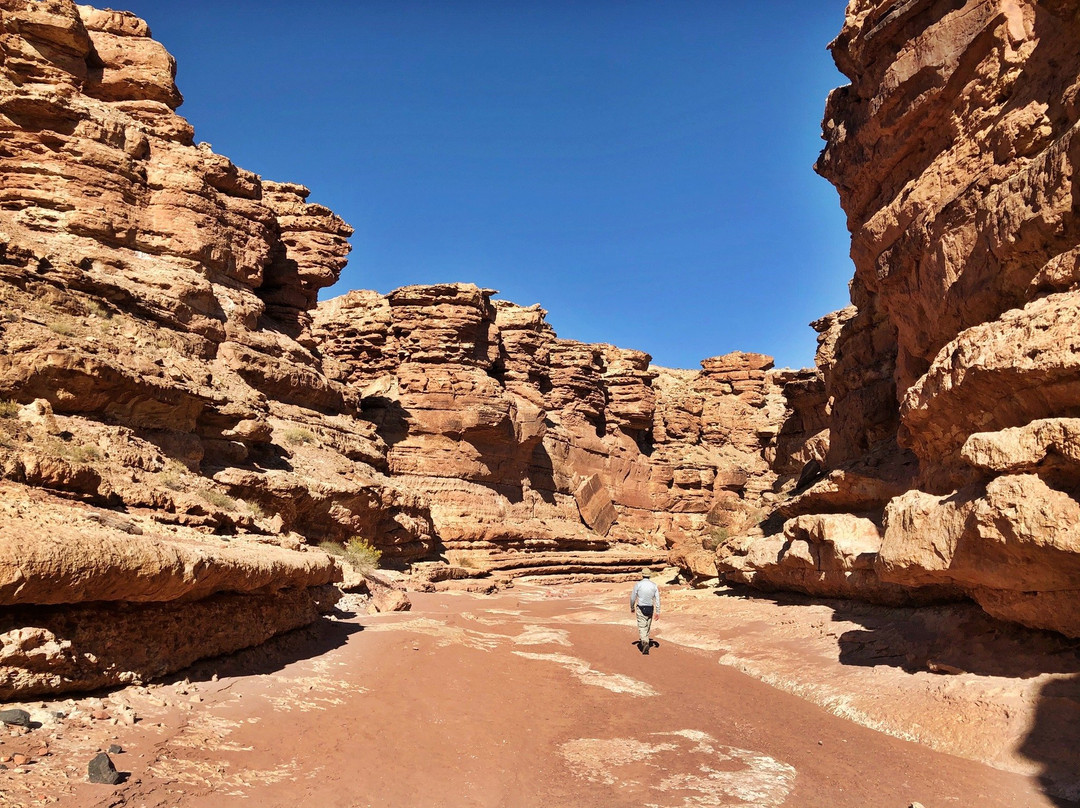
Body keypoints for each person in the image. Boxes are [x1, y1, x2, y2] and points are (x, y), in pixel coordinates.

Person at [630, 568, 660, 655]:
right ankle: (645, 640)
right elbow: (657, 599)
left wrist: (632, 607)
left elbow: (632, 597)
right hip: (650, 608)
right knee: (647, 625)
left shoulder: (638, 584)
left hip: (640, 608)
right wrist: (657, 611)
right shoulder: (654, 585)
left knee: (642, 626)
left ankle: (645, 642)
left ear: (642, 574)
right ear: (650, 575)